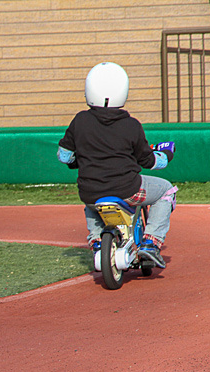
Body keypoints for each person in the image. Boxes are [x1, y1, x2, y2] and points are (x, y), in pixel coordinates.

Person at [57, 62, 177, 269]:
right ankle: (151, 242)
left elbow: (64, 156)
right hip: (128, 189)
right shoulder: (131, 125)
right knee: (166, 190)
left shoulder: (80, 121)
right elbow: (149, 161)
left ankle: (97, 240)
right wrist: (166, 154)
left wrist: (80, 159)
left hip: (90, 192)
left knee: (92, 200)